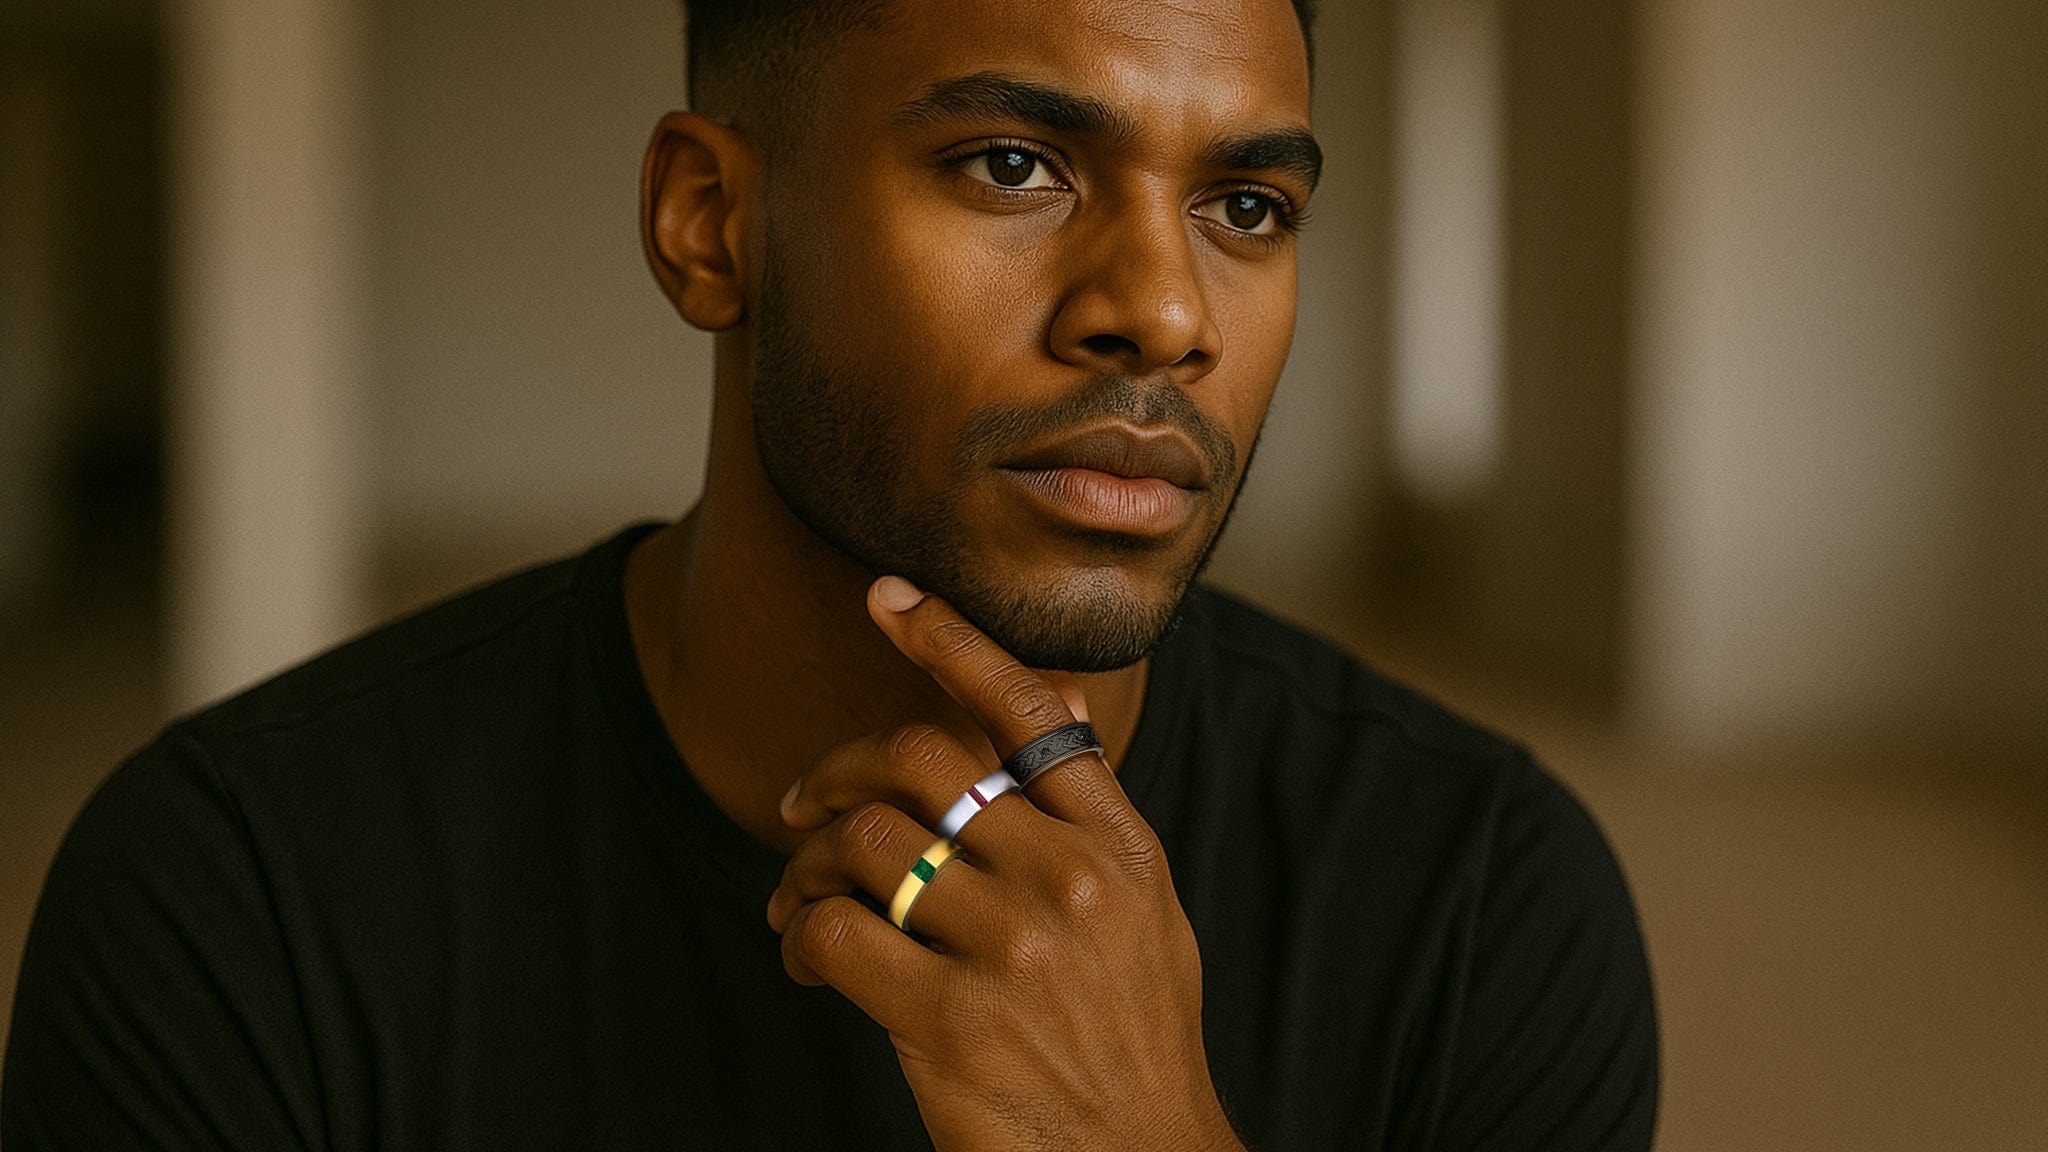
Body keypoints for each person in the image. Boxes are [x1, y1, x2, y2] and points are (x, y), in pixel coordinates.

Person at [1, 0, 1658, 1147]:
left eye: (1244, 202)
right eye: (1016, 163)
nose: (1165, 312)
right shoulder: (234, 897)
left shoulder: (1485, 902)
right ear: (711, 222)